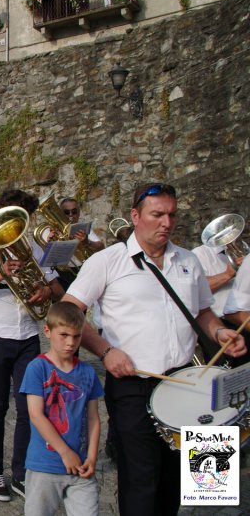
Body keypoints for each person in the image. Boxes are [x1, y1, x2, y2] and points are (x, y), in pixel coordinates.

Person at [61, 182, 246, 516]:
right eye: (157, 214)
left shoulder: (188, 260)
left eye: (172, 215)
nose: (167, 222)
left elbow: (203, 311)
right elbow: (68, 310)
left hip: (189, 381)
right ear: (135, 216)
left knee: (193, 479)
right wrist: (105, 352)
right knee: (141, 479)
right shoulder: (108, 261)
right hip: (133, 384)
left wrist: (219, 332)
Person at [0, 189, 63, 502]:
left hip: (28, 336)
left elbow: (57, 288)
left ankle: (20, 472)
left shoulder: (34, 247)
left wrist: (45, 291)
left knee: (29, 408)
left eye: (23, 217)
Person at [20, 301, 103, 516]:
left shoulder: (88, 372)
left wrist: (92, 457)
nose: (70, 343)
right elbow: (36, 415)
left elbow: (94, 418)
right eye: (64, 335)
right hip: (44, 466)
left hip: (81, 468)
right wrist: (65, 452)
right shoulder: (37, 367)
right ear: (47, 331)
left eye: (76, 337)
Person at [192, 231, 243, 362]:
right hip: (220, 324)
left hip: (244, 319)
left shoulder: (242, 247)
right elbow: (195, 289)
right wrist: (228, 274)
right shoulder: (199, 254)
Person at [50, 197, 105, 290]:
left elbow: (101, 247)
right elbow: (46, 261)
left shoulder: (83, 229)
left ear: (79, 213)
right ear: (60, 214)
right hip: (62, 275)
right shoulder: (51, 231)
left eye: (74, 211)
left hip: (84, 270)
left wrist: (87, 242)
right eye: (66, 212)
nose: (71, 215)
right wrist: (50, 245)